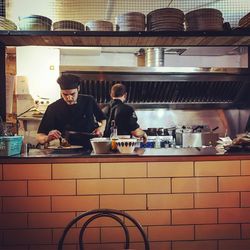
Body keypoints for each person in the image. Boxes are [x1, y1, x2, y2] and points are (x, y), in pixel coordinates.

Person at [36, 74, 106, 149]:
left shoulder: (89, 101)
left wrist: (101, 128)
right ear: (61, 92)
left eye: (72, 94)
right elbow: (39, 136)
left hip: (89, 147)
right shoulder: (53, 108)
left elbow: (103, 119)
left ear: (78, 89)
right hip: (65, 150)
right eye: (65, 94)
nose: (69, 98)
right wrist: (47, 138)